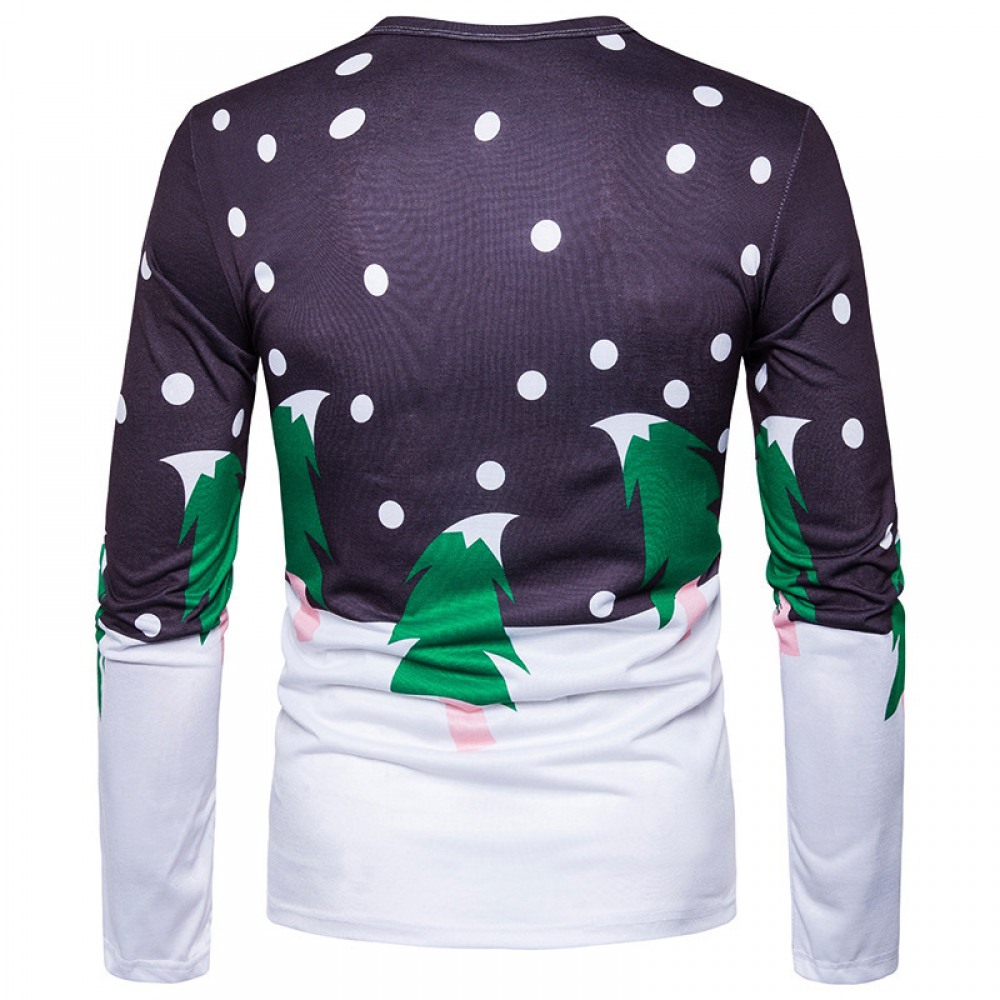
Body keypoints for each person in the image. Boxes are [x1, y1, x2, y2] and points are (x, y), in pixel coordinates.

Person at [94, 13, 906, 985]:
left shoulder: (237, 151)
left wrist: (152, 949)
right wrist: (849, 952)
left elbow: (157, 582)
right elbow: (842, 574)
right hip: (651, 867)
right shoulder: (759, 149)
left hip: (349, 869)